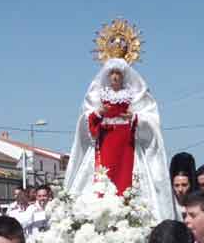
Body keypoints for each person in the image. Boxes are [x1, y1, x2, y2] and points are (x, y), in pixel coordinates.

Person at [65, 57, 174, 222]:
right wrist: (98, 113)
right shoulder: (98, 95)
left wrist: (134, 117)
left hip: (127, 144)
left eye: (118, 73)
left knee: (129, 182)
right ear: (107, 76)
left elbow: (150, 120)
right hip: (105, 143)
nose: (115, 77)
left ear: (124, 76)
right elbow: (87, 121)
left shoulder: (134, 95)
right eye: (112, 73)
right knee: (101, 180)